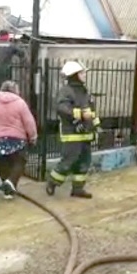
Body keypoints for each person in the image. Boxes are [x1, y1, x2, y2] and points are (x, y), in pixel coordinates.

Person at [46, 61, 100, 199]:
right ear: (74, 75)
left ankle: (78, 189)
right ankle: (52, 182)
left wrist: (96, 125)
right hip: (72, 134)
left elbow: (91, 111)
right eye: (82, 73)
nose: (84, 75)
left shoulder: (84, 91)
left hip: (86, 133)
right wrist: (80, 115)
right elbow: (62, 109)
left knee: (84, 163)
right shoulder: (66, 91)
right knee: (69, 161)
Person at [0, 80, 38, 199]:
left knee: (2, 162)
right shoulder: (20, 103)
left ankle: (8, 188)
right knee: (19, 161)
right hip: (17, 138)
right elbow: (29, 121)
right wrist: (33, 136)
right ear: (15, 90)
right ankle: (10, 183)